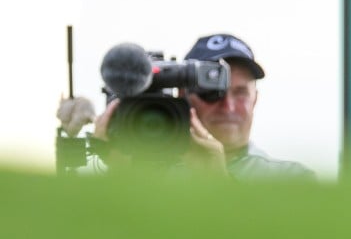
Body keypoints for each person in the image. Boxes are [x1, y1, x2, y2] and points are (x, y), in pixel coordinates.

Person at [59, 33, 315, 181]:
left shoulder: (290, 180)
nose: (227, 105)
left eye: (240, 93)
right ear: (183, 96)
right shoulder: (139, 165)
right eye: (212, 93)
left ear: (255, 99)